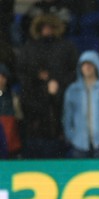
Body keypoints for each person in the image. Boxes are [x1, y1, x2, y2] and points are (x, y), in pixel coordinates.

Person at [17, 14, 78, 159]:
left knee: (55, 151)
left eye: (50, 26)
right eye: (43, 27)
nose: (47, 30)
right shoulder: (29, 48)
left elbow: (74, 72)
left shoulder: (66, 47)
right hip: (34, 109)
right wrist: (37, 76)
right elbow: (21, 73)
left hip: (59, 108)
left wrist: (58, 84)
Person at [63, 50, 99, 158]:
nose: (87, 67)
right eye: (84, 64)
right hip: (78, 143)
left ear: (96, 66)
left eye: (90, 64)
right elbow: (67, 116)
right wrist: (71, 136)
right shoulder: (72, 90)